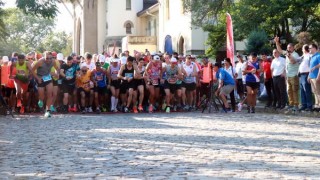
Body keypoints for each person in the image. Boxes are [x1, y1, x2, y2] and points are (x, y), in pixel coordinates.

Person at [31, 51, 60, 118]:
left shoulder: (53, 61)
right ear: (44, 57)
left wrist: (57, 74)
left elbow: (57, 69)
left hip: (48, 78)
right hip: (40, 78)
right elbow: (32, 70)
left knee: (50, 94)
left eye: (50, 58)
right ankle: (40, 100)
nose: (49, 60)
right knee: (42, 96)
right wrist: (37, 78)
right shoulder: (40, 62)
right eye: (47, 58)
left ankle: (47, 111)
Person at [275, 37, 300, 111]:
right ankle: (291, 104)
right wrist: (277, 42)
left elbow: (293, 62)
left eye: (289, 47)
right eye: (287, 48)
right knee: (289, 90)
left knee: (294, 90)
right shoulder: (287, 53)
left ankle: (296, 105)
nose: (288, 49)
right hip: (288, 75)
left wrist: (289, 55)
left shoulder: (295, 55)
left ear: (293, 48)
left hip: (294, 75)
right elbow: (279, 50)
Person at [298, 45, 312, 111]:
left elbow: (310, 66)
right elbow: (296, 61)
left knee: (307, 90)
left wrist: (309, 75)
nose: (301, 50)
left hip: (306, 74)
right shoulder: (303, 56)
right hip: (301, 75)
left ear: (305, 49)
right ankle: (304, 105)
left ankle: (309, 105)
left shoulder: (309, 56)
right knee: (302, 91)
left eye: (302, 48)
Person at [308, 43, 320, 112]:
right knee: (314, 92)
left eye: (310, 48)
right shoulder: (312, 57)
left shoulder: (318, 55)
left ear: (314, 48)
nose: (309, 49)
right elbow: (310, 68)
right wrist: (309, 76)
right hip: (312, 77)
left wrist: (318, 76)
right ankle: (317, 105)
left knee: (318, 92)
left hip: (316, 76)